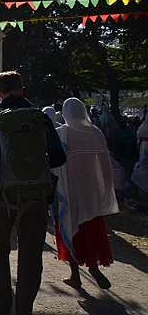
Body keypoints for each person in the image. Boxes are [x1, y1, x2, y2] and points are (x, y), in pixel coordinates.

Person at [0, 71, 67, 315]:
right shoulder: (41, 119)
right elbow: (59, 157)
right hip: (37, 196)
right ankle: (24, 309)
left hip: (3, 197)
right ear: (21, 89)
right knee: (30, 256)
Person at [52, 98, 118, 290]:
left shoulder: (63, 133)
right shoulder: (96, 133)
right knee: (90, 226)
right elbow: (106, 163)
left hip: (70, 188)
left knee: (71, 224)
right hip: (91, 189)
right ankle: (93, 266)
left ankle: (75, 275)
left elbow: (54, 161)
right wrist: (106, 186)